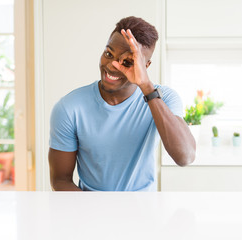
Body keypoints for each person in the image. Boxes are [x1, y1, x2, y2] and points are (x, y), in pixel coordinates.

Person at [48, 16, 195, 191]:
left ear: (145, 66)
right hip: (90, 211)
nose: (112, 66)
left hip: (144, 211)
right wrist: (92, 212)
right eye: (109, 54)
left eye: (127, 62)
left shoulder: (164, 98)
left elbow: (185, 157)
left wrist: (146, 87)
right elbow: (60, 180)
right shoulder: (69, 108)